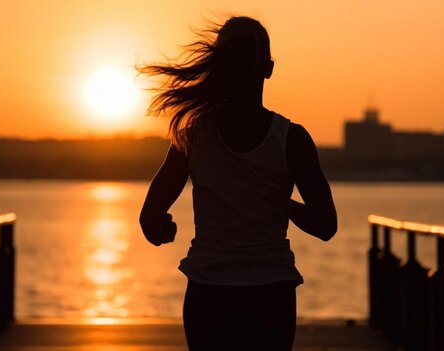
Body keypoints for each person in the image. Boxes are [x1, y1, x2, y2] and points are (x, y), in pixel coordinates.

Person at [137, 16, 337, 351]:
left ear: (217, 67)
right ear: (269, 68)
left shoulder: (192, 137)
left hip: (208, 291)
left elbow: (149, 220)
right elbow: (326, 225)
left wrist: (162, 229)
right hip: (271, 294)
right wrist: (280, 202)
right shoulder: (292, 139)